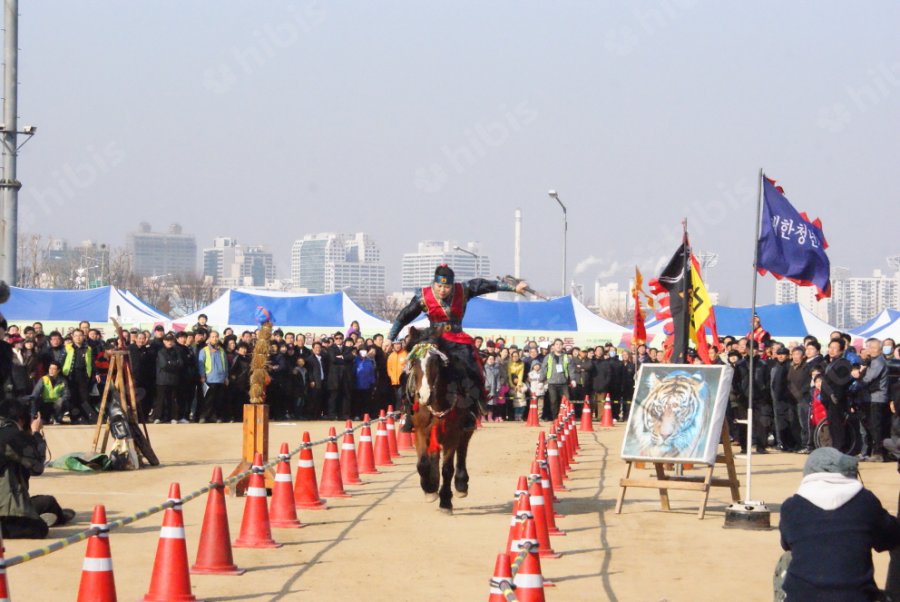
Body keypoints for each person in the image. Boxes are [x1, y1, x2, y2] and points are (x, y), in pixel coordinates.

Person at [387, 265, 528, 430]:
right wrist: (390, 337)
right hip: (434, 338)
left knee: (472, 367)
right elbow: (404, 316)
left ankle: (473, 409)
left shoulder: (464, 290)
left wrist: (513, 287)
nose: (443, 290)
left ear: (452, 285)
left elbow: (486, 285)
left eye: (447, 286)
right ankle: (409, 410)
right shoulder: (423, 296)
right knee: (411, 367)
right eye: (439, 286)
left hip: (457, 339)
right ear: (434, 283)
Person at [779, 447, 900, 601]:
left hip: (803, 598)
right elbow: (891, 537)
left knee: (787, 560)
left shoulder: (791, 507)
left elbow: (786, 544)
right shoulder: (865, 501)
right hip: (856, 597)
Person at [0, 401, 75, 538]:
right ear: (21, 420)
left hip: (11, 502)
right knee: (40, 529)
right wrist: (35, 434)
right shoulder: (13, 436)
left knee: (47, 502)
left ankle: (54, 515)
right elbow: (37, 467)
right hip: (5, 511)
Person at [855, 337, 890, 462]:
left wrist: (855, 384)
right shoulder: (872, 361)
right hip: (870, 398)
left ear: (878, 349)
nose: (870, 350)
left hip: (877, 398)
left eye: (872, 348)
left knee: (876, 427)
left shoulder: (878, 362)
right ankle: (870, 451)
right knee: (870, 426)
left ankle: (879, 453)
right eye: (869, 347)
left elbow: (868, 378)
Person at [820, 338, 854, 453]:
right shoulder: (830, 363)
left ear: (841, 350)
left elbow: (841, 383)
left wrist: (835, 396)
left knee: (837, 426)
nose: (832, 350)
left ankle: (840, 449)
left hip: (837, 399)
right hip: (829, 399)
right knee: (832, 426)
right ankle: (836, 448)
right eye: (831, 347)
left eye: (835, 348)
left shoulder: (844, 363)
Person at [197, 330, 229, 423]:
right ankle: (204, 417)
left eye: (216, 337)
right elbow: (201, 364)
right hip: (209, 379)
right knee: (207, 400)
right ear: (209, 338)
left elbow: (225, 364)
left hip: (220, 379)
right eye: (213, 337)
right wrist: (202, 375)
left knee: (218, 400)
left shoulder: (222, 351)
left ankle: (215, 416)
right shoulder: (204, 350)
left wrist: (226, 377)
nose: (215, 338)